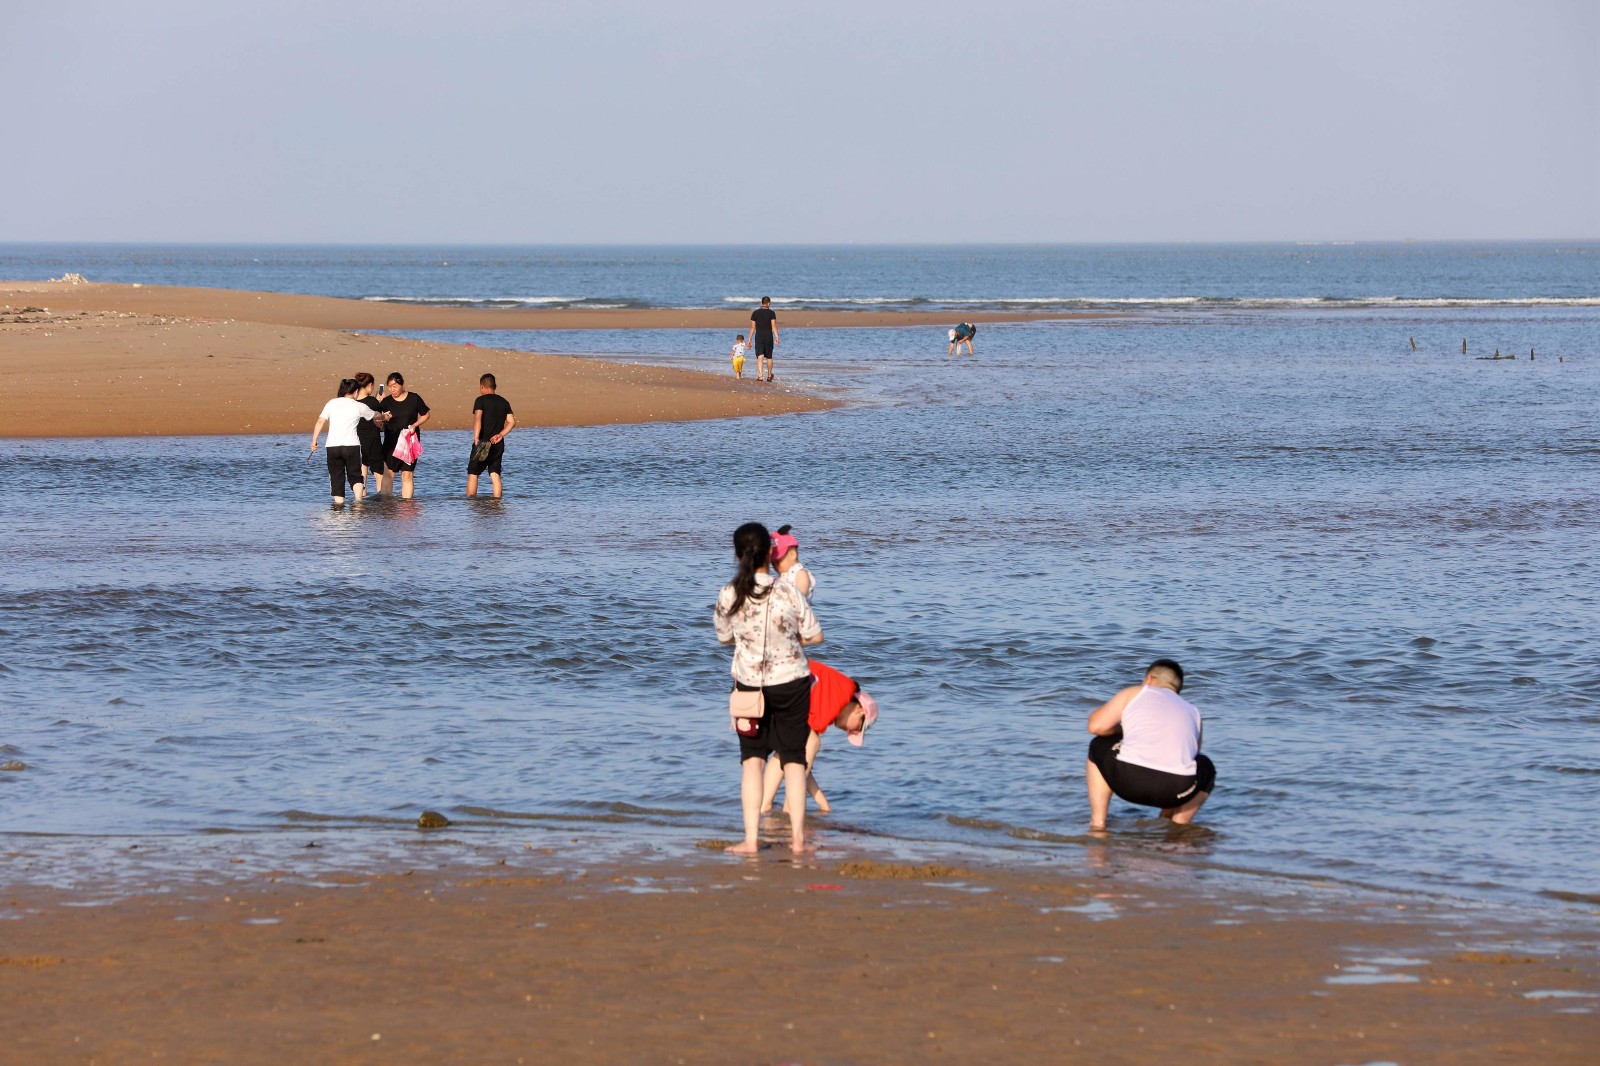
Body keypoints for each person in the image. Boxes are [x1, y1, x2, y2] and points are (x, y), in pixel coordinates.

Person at [713, 522, 823, 854]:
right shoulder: (788, 590)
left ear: (737, 554)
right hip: (792, 682)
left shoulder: (729, 593)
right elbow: (816, 635)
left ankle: (749, 840)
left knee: (752, 761)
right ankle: (799, 842)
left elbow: (723, 637)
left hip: (748, 686)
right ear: (768, 553)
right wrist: (790, 638)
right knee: (793, 760)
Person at [1085, 658, 1216, 830]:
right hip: (1175, 791)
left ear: (1150, 679)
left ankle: (1098, 824)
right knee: (1205, 766)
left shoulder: (1137, 692)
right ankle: (1175, 828)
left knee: (1098, 744)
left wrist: (1121, 732)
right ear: (1177, 689)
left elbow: (1096, 726)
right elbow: (1191, 755)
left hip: (1129, 782)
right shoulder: (1193, 711)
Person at [760, 660, 878, 816]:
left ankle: (763, 806)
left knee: (787, 750)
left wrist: (823, 804)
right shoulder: (844, 690)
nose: (848, 731)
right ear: (860, 711)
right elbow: (802, 761)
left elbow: (800, 763)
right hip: (775, 683)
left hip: (767, 681)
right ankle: (789, 809)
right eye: (856, 728)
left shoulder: (835, 691)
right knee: (811, 741)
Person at [309, 378, 377, 505]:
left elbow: (320, 422)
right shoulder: (359, 406)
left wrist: (314, 441)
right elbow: (375, 415)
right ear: (356, 391)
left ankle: (339, 506)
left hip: (333, 446)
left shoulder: (331, 403)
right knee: (355, 475)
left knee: (336, 476)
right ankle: (358, 501)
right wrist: (385, 416)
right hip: (352, 446)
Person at [377, 372, 430, 500]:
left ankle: (407, 506)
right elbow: (376, 419)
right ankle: (386, 503)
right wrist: (382, 414)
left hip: (409, 442)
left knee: (407, 475)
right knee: (389, 474)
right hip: (391, 443)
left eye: (395, 386)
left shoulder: (414, 398)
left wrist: (415, 425)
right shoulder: (386, 401)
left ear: (402, 384)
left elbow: (425, 414)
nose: (392, 389)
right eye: (389, 386)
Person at [466, 373, 516, 498]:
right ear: (495, 386)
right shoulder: (504, 402)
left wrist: (476, 438)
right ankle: (497, 502)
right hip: (498, 443)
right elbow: (511, 422)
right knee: (495, 473)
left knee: (473, 473)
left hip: (483, 442)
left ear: (482, 386)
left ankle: (471, 501)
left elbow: (478, 418)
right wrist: (500, 434)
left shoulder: (480, 400)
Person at [351, 372, 388, 495]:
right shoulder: (372, 402)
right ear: (370, 385)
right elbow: (380, 419)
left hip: (357, 440)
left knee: (362, 473)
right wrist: (381, 402)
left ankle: (361, 500)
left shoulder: (352, 402)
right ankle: (381, 499)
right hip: (372, 440)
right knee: (379, 473)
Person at [770, 524, 814, 599]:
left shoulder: (800, 573)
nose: (775, 565)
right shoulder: (783, 575)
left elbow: (801, 595)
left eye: (778, 561)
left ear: (792, 554)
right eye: (773, 563)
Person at [750, 296, 779, 382]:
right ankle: (769, 375)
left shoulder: (755, 313)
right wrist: (777, 336)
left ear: (761, 303)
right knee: (769, 356)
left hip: (759, 337)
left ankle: (760, 376)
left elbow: (752, 327)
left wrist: (749, 339)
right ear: (769, 303)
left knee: (760, 356)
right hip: (768, 337)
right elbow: (773, 326)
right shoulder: (772, 313)